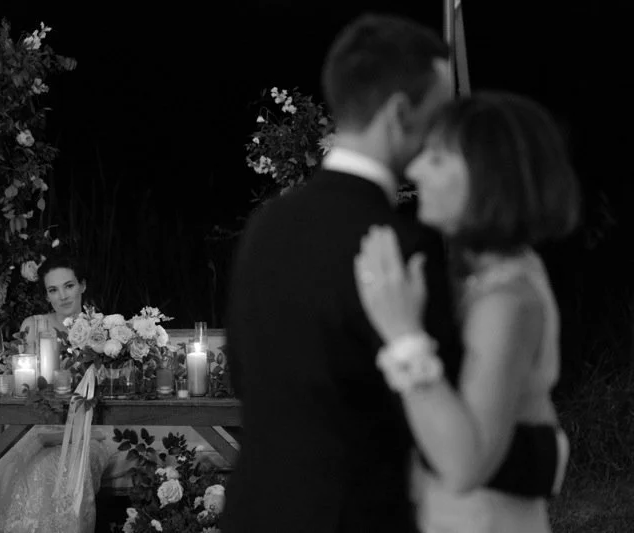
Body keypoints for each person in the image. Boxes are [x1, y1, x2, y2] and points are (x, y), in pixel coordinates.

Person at [220, 13, 564, 533]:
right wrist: (548, 454)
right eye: (440, 112)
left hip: (254, 512)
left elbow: (248, 376)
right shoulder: (402, 246)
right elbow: (444, 433)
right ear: (401, 113)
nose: (443, 131)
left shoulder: (268, 225)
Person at [353, 91, 579, 532]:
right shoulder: (490, 276)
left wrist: (403, 335)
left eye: (436, 160)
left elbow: (464, 465)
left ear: (486, 176)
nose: (415, 169)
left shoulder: (507, 302)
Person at [0, 255, 110, 533]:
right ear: (46, 295)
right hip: (33, 426)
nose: (62, 296)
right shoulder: (33, 326)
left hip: (85, 430)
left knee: (53, 467)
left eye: (69, 286)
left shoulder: (103, 329)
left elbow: (106, 389)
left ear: (82, 285)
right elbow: (21, 384)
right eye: (53, 290)